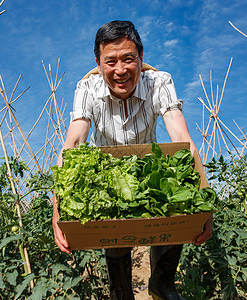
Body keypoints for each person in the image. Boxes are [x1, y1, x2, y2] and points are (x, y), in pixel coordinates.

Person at [52, 20, 213, 300]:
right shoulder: (87, 88)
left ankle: (161, 286)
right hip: (105, 174)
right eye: (110, 61)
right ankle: (122, 293)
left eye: (128, 59)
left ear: (141, 57)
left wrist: (204, 204)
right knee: (113, 237)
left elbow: (183, 140)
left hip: (146, 168)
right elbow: (73, 142)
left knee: (172, 208)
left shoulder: (159, 82)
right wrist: (58, 210)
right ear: (99, 63)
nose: (120, 70)